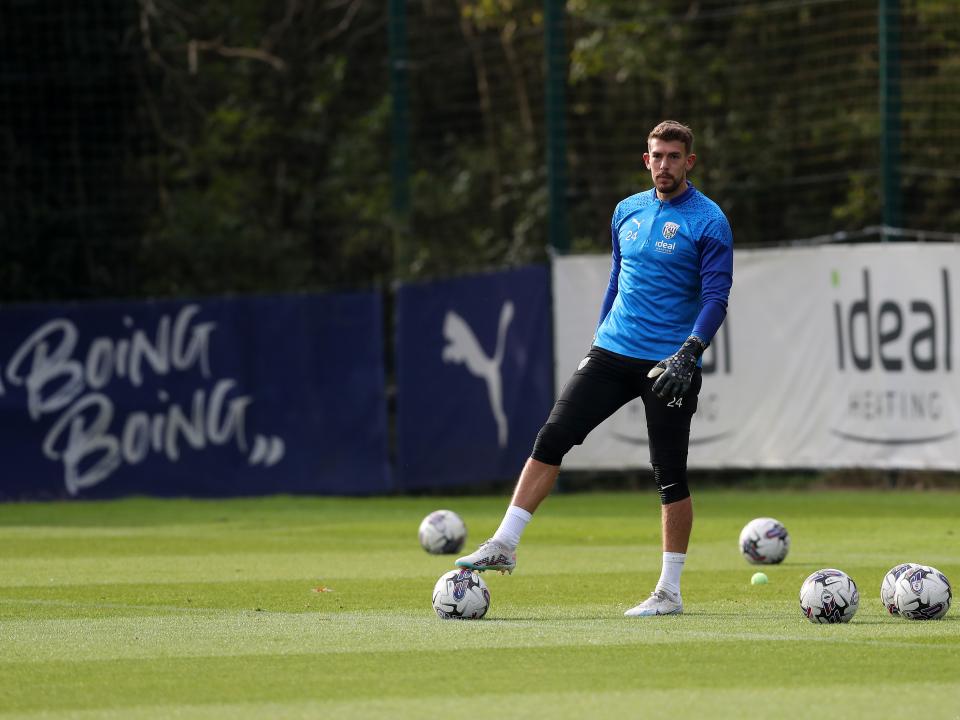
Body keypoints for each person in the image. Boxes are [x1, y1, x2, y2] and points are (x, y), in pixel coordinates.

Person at [455, 120, 734, 617]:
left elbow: (715, 297)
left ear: (690, 162)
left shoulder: (709, 221)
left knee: (669, 473)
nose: (664, 164)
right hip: (612, 350)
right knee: (552, 435)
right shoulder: (626, 210)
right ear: (644, 159)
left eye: (674, 156)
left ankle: (669, 592)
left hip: (669, 362)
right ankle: (504, 542)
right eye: (657, 155)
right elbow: (616, 278)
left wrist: (690, 351)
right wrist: (599, 335)